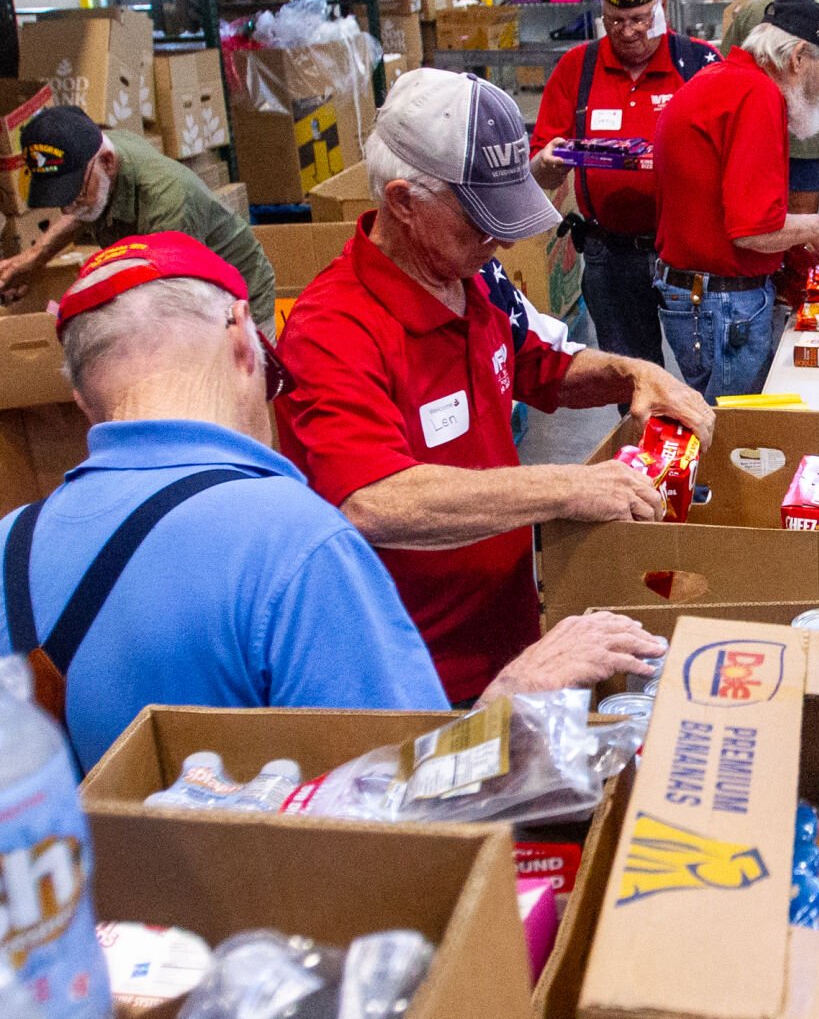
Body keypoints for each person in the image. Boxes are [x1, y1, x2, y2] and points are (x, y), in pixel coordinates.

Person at [0, 232, 667, 770]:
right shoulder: (293, 543)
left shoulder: (11, 545)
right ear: (240, 337)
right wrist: (521, 692)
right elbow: (405, 799)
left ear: (84, 399)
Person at [274, 68, 712, 705]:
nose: (502, 236)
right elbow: (373, 500)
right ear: (402, 201)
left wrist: (633, 373)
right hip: (414, 682)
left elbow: (545, 365)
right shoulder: (333, 330)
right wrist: (569, 487)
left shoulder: (475, 277)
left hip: (509, 648)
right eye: (479, 219)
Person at [652, 0, 819, 400]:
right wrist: (813, 227)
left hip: (699, 295)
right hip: (721, 303)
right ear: (798, 57)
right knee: (730, 434)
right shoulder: (754, 95)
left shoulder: (724, 80)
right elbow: (752, 229)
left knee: (719, 424)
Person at [530, 0, 721, 369]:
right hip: (609, 256)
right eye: (615, 21)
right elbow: (538, 170)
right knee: (632, 381)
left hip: (688, 254)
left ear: (663, 6)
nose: (629, 32)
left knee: (708, 378)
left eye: (640, 19)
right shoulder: (577, 69)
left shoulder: (701, 64)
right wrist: (545, 164)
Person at [1, 107, 277, 332]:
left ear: (108, 163)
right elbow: (85, 210)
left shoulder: (169, 203)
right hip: (172, 278)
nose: (66, 210)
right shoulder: (99, 151)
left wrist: (75, 308)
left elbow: (164, 302)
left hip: (235, 297)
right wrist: (33, 259)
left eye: (75, 193)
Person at [722, 0, 819, 215]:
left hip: (756, 138)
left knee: (761, 216)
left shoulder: (748, 11)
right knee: (801, 232)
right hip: (805, 144)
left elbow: (726, 61)